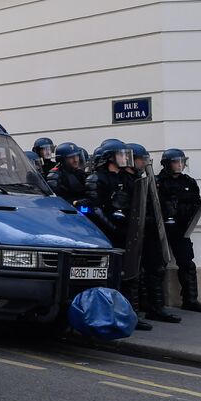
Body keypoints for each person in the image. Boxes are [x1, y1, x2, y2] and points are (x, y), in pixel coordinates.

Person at [84, 139, 153, 331]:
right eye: (120, 155)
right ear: (109, 158)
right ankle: (109, 315)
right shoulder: (97, 179)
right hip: (106, 235)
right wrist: (113, 228)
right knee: (110, 277)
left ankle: (131, 315)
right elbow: (95, 208)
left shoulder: (125, 178)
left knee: (130, 275)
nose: (124, 159)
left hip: (126, 233)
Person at [127, 143, 180, 324]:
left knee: (156, 269)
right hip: (133, 233)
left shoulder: (145, 179)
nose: (144, 163)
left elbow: (156, 203)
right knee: (134, 274)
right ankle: (134, 312)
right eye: (141, 159)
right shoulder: (128, 181)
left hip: (150, 232)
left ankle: (156, 308)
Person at [158, 148, 201, 313]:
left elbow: (197, 203)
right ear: (167, 164)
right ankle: (155, 304)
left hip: (181, 228)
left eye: (182, 162)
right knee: (157, 265)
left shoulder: (189, 182)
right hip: (161, 229)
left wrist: (183, 210)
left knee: (187, 263)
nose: (180, 165)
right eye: (175, 162)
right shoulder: (158, 182)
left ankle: (190, 300)